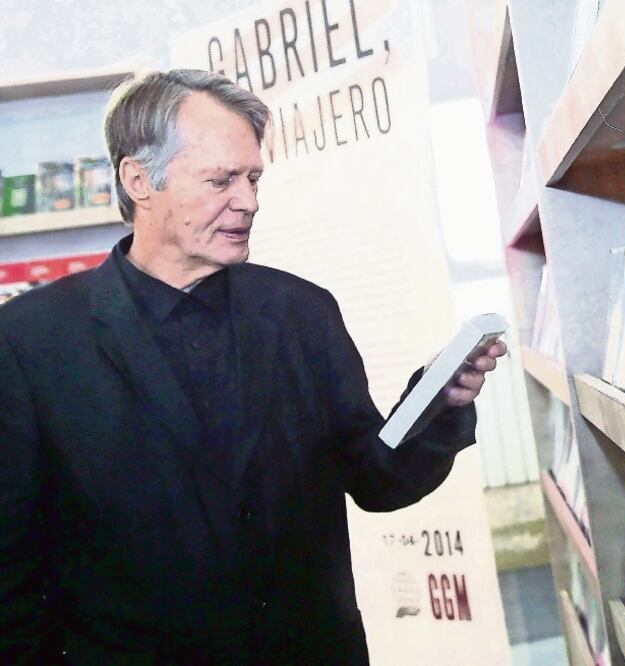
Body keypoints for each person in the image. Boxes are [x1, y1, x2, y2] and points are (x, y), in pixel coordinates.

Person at [0, 69, 506, 664]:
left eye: (253, 177)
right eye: (220, 180)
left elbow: (378, 481)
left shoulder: (302, 312)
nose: (249, 201)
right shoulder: (30, 340)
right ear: (138, 180)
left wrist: (437, 405)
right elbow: (11, 573)